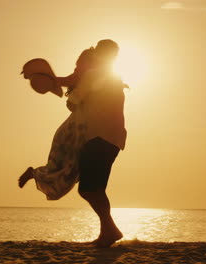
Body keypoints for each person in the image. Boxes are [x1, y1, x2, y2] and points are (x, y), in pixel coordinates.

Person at [18, 48, 97, 200]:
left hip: (78, 126)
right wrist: (42, 78)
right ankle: (34, 173)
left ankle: (34, 173)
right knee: (67, 168)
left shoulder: (98, 75)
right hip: (73, 128)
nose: (77, 67)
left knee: (70, 169)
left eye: (79, 63)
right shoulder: (85, 73)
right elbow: (64, 81)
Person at [74, 39, 127, 248]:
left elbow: (73, 102)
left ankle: (111, 229)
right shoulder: (115, 77)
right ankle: (108, 231)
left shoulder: (93, 75)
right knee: (97, 188)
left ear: (98, 54)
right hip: (115, 138)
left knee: (87, 189)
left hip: (98, 136)